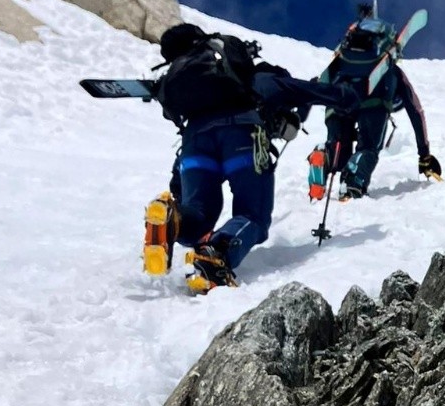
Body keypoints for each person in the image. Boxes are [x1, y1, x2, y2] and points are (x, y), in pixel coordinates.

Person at [144, 22, 357, 292]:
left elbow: (182, 164)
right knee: (252, 215)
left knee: (198, 216)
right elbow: (307, 91)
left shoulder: (194, 82)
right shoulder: (266, 79)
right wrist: (345, 97)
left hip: (194, 142)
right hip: (241, 137)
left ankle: (173, 219)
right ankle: (214, 257)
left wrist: (176, 194)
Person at [318, 7, 440, 199]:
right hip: (373, 102)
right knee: (368, 147)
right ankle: (353, 182)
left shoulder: (343, 62)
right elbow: (416, 111)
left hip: (338, 95)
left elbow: (320, 82)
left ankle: (324, 159)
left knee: (338, 147)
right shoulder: (392, 72)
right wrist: (424, 154)